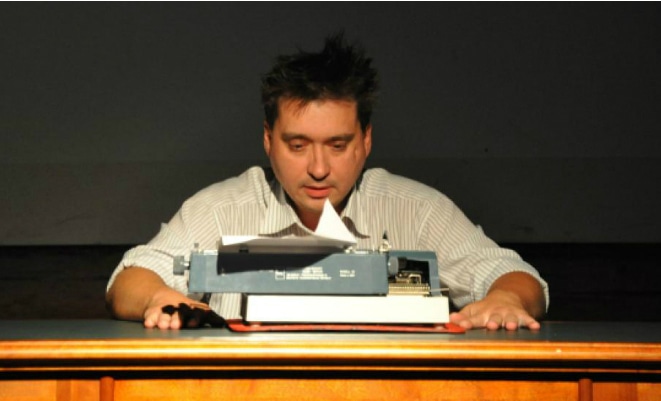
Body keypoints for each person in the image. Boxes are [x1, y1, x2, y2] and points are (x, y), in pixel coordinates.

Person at [106, 33, 548, 331]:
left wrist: (507, 299)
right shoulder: (219, 210)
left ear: (366, 140)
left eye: (337, 145)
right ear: (268, 140)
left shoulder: (418, 210)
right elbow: (130, 278)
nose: (318, 169)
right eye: (298, 146)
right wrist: (157, 296)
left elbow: (515, 277)